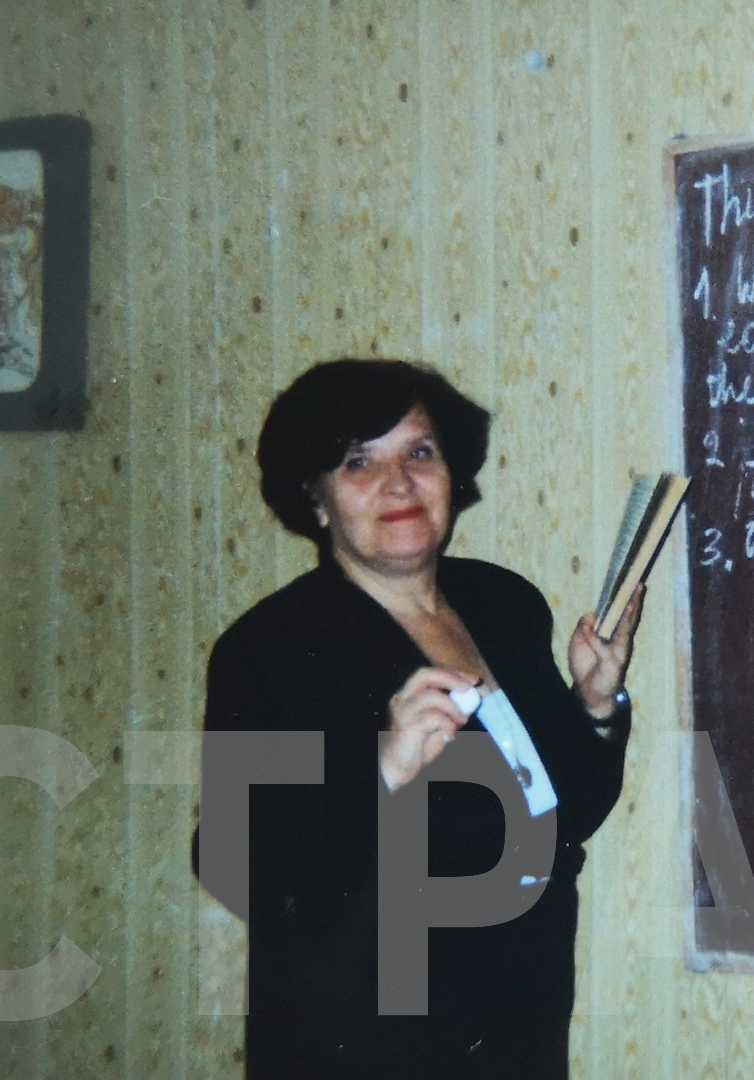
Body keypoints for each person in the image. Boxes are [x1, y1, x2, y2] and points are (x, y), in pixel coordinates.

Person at [195, 359, 641, 1079]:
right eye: (358, 462)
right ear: (315, 499)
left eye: (420, 453)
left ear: (451, 475)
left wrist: (594, 705)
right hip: (359, 1041)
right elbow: (234, 864)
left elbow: (563, 817)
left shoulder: (504, 605)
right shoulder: (271, 650)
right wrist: (383, 773)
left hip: (517, 1024)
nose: (398, 483)